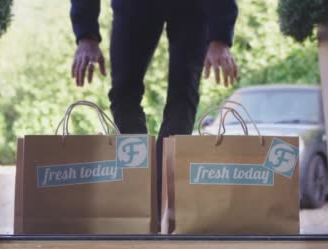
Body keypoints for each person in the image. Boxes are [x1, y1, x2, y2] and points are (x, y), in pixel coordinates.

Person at [70, 0, 239, 216]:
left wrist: (220, 38)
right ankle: (139, 183)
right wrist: (86, 35)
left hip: (193, 9)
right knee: (123, 94)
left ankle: (161, 200)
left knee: (182, 97)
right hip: (134, 7)